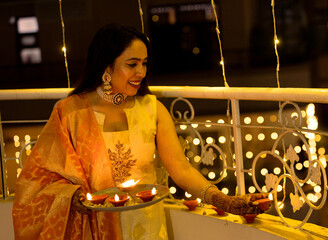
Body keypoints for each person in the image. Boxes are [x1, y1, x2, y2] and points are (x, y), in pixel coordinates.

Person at [12, 23, 267, 240]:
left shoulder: (152, 109)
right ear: (106, 67)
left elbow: (181, 168)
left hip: (146, 226)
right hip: (94, 227)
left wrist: (225, 201)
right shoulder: (69, 113)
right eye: (132, 64)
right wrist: (72, 197)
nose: (141, 72)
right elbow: (38, 181)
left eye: (144, 63)